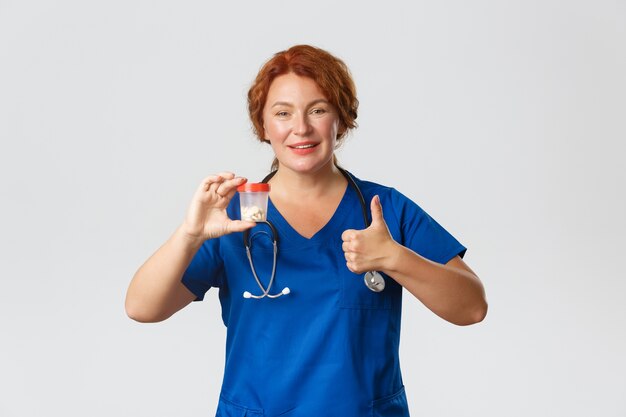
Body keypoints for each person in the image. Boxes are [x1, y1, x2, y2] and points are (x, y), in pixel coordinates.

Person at [126, 44, 487, 417]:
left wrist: (395, 257)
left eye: (318, 110)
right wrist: (190, 235)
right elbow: (141, 308)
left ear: (342, 119)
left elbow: (472, 307)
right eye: (283, 113)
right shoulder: (231, 218)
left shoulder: (385, 210)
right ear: (262, 126)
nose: (301, 127)